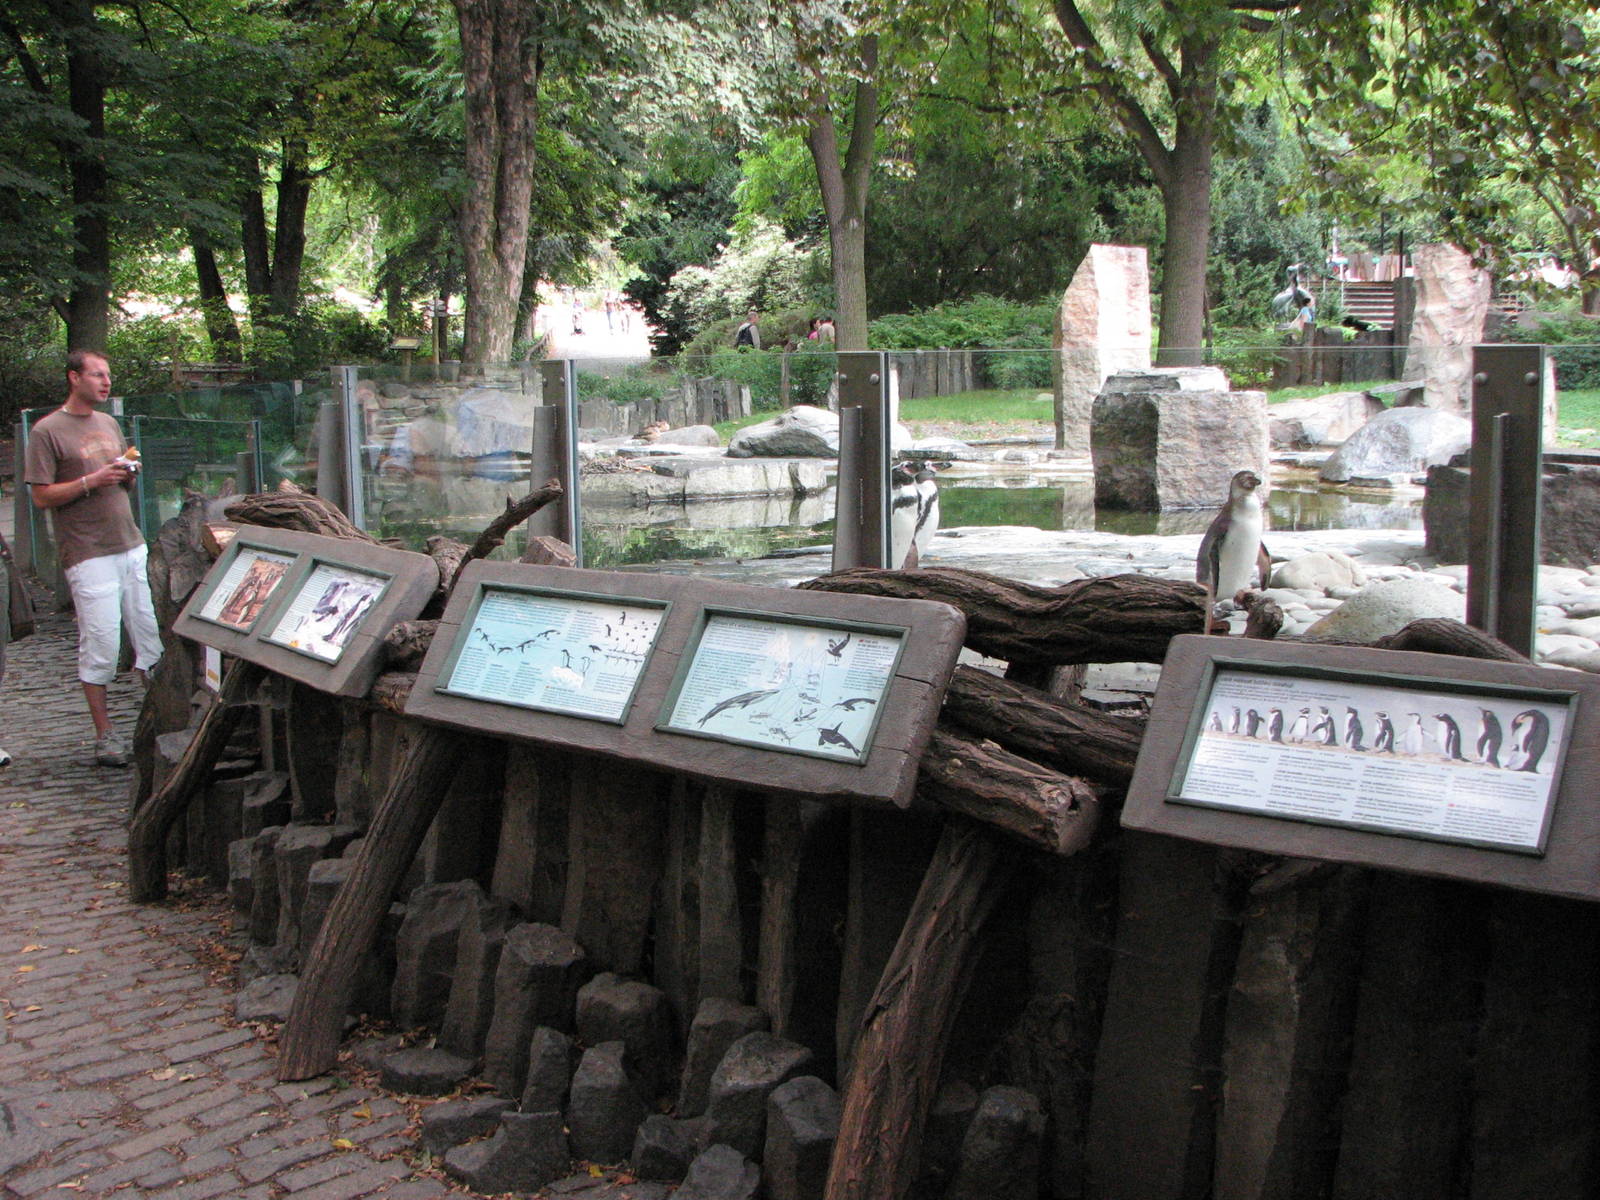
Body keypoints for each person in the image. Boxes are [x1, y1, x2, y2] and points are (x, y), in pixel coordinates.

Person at [24, 349, 163, 767]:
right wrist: (91, 480)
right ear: (74, 378)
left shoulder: (108, 423)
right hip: (87, 552)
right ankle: (105, 735)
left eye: (108, 374)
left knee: (149, 636)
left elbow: (117, 482)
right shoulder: (47, 431)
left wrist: (125, 474)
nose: (106, 382)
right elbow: (40, 495)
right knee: (101, 641)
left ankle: (158, 720)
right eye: (97, 374)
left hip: (130, 542)